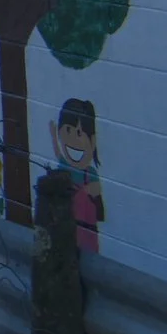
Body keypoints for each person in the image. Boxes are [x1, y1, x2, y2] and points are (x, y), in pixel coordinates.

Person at [50, 98, 105, 253]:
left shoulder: (90, 174)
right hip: (66, 234)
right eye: (68, 131)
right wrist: (53, 137)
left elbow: (96, 189)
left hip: (86, 235)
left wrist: (86, 191)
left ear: (92, 141)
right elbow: (58, 153)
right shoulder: (65, 166)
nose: (73, 139)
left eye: (79, 133)